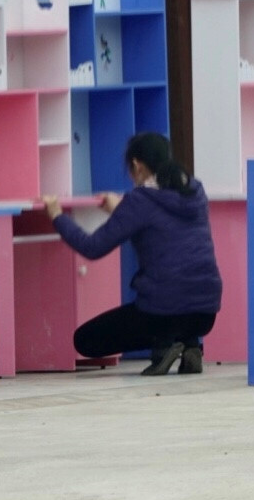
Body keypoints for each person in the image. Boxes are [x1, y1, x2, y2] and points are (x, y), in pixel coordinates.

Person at [42, 132, 222, 376]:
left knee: (85, 340)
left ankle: (164, 345)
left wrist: (56, 215)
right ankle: (190, 344)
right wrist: (121, 210)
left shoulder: (140, 201)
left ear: (137, 165)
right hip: (206, 313)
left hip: (165, 312)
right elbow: (162, 224)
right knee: (179, 312)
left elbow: (92, 247)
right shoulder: (194, 191)